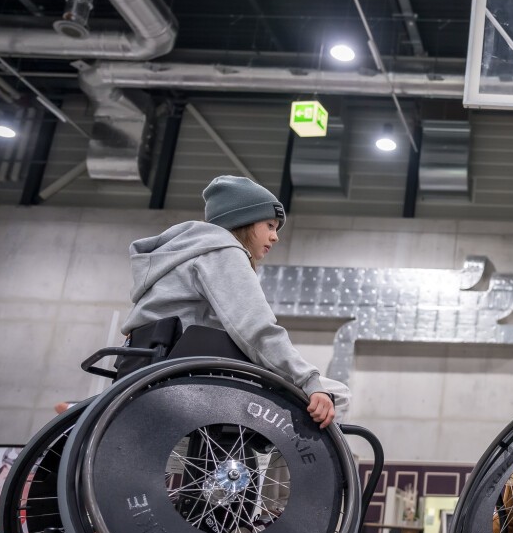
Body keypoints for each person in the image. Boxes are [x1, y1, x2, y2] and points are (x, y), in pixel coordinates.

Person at [122, 175, 349, 428]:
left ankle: (250, 461)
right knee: (335, 394)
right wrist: (308, 380)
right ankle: (264, 467)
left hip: (151, 366)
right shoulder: (222, 251)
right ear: (243, 221)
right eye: (270, 226)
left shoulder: (182, 253)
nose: (275, 237)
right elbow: (255, 329)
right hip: (193, 372)